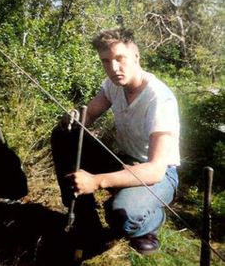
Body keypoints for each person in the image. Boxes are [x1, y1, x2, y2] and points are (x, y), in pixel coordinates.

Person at [51, 28, 180, 256]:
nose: (113, 68)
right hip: (121, 159)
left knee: (120, 214)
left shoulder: (160, 99)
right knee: (64, 134)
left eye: (120, 59)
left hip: (157, 172)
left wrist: (97, 181)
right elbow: (88, 114)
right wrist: (72, 118)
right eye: (106, 61)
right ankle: (86, 224)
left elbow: (155, 170)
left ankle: (152, 219)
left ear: (136, 57)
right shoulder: (113, 84)